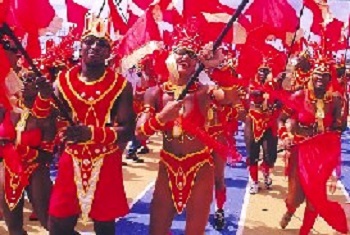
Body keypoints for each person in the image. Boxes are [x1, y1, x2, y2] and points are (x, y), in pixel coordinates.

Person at [135, 27, 239, 234]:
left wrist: (218, 67)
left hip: (199, 166)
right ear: (170, 57)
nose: (185, 57)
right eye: (180, 51)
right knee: (157, 230)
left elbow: (230, 98)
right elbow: (140, 133)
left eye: (192, 54)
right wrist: (162, 117)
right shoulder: (155, 93)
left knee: (194, 231)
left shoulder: (204, 91)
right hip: (168, 166)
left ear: (197, 63)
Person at [47, 15, 135, 235]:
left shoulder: (120, 85)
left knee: (104, 225)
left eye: (102, 43)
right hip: (71, 158)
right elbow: (52, 121)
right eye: (89, 41)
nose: (95, 47)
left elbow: (127, 131)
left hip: (105, 160)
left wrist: (91, 133)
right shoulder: (63, 82)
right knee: (57, 224)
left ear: (109, 51)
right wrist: (41, 98)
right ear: (81, 46)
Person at [278, 59, 349, 235]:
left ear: (329, 79)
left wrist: (337, 127)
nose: (321, 78)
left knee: (315, 197)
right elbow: (281, 119)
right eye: (318, 74)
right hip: (300, 152)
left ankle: (305, 231)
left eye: (325, 75)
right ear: (311, 75)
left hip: (321, 155)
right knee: (295, 197)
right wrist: (285, 136)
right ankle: (291, 209)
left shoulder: (335, 100)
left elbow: (339, 127)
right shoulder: (299, 96)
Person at [0, 73, 55, 235]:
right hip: (9, 171)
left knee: (49, 222)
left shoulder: (49, 113)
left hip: (36, 170)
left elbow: (48, 155)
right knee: (14, 228)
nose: (24, 82)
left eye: (30, 79)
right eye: (21, 78)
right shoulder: (6, 108)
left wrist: (21, 150)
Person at [244, 62, 282, 194]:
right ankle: (254, 181)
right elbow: (252, 92)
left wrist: (277, 102)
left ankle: (265, 170)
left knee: (270, 155)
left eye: (265, 71)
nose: (261, 74)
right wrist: (264, 90)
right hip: (253, 121)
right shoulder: (251, 82)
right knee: (252, 153)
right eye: (260, 71)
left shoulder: (275, 84)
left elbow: (280, 99)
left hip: (269, 122)